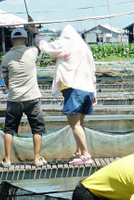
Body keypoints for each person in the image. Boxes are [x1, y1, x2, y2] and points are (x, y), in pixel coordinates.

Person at [39, 25, 97, 166]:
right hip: (88, 89)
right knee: (80, 124)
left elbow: (47, 48)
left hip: (75, 88)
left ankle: (85, 154)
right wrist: (94, 92)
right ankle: (79, 152)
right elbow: (93, 70)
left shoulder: (67, 43)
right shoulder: (85, 48)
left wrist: (36, 37)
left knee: (74, 124)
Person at [0, 27, 45, 168]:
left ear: (12, 41)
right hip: (32, 98)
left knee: (9, 129)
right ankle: (37, 159)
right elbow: (41, 44)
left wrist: (11, 89)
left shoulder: (5, 58)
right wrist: (34, 29)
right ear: (25, 40)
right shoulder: (32, 52)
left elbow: (6, 80)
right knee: (37, 129)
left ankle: (7, 160)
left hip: (14, 98)